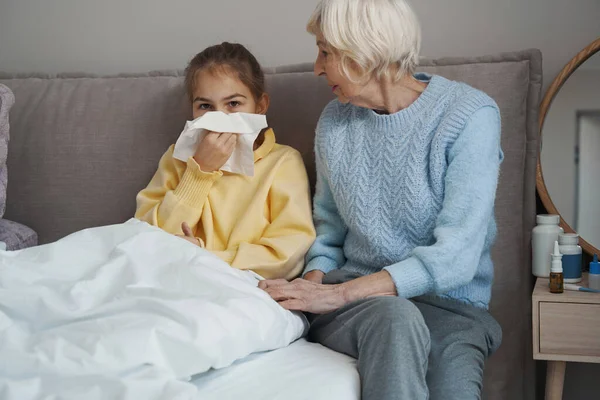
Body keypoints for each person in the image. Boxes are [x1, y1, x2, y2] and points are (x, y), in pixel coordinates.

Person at [259, 1, 503, 399]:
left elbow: (458, 253)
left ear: (362, 50)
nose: (317, 67)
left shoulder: (469, 116)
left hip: (450, 310)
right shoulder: (335, 122)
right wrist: (311, 289)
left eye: (325, 51)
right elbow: (330, 232)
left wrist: (336, 294)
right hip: (361, 307)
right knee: (395, 316)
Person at [135, 42, 316, 280]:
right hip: (173, 278)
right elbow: (146, 236)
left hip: (244, 288)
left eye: (233, 104)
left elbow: (287, 255)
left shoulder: (282, 162)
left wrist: (206, 257)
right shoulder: (177, 158)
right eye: (206, 106)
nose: (219, 117)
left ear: (260, 106)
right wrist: (199, 173)